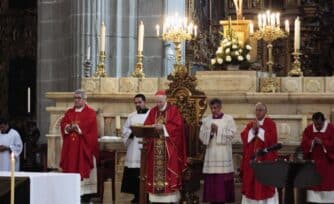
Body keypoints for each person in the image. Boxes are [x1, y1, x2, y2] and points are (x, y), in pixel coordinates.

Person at [143, 90, 187, 203]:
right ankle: (155, 199)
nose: (159, 104)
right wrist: (152, 127)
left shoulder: (173, 110)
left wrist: (163, 127)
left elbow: (178, 127)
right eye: (157, 102)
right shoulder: (153, 111)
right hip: (155, 149)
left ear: (165, 99)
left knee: (169, 170)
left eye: (161, 102)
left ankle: (169, 198)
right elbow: (146, 125)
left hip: (169, 148)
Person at [60, 89, 99, 195]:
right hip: (70, 148)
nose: (76, 100)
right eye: (75, 98)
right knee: (70, 168)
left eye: (78, 98)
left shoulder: (90, 113)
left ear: (84, 99)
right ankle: (70, 193)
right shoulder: (69, 112)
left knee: (81, 167)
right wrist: (68, 127)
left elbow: (90, 129)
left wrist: (78, 128)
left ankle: (84, 195)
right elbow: (63, 123)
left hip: (83, 147)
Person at [199, 98, 236, 204]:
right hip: (211, 153)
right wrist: (210, 132)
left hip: (223, 154)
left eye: (215, 108)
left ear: (220, 107)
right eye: (211, 108)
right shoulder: (206, 120)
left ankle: (223, 200)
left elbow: (232, 133)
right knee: (212, 180)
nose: (213, 110)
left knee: (222, 180)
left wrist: (218, 130)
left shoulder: (228, 119)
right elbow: (201, 136)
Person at [240, 102, 279, 204]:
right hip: (253, 162)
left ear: (265, 111)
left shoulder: (270, 124)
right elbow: (245, 138)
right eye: (256, 110)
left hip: (265, 160)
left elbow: (273, 140)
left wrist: (260, 130)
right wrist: (253, 130)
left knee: (265, 185)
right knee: (251, 184)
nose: (258, 112)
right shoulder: (250, 124)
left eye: (260, 110)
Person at [121, 94, 150, 203]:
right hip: (133, 149)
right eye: (136, 103)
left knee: (145, 172)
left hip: (145, 147)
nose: (137, 104)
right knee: (133, 173)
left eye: (139, 102)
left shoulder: (151, 114)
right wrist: (131, 132)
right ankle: (136, 196)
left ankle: (146, 195)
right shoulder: (131, 116)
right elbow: (125, 131)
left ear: (144, 102)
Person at [300, 112, 334, 203]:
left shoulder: (331, 128)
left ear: (324, 121)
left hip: (328, 165)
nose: (317, 126)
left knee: (328, 191)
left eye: (319, 124)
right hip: (314, 165)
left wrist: (323, 142)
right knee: (314, 194)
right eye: (315, 124)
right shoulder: (309, 129)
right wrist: (312, 142)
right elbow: (303, 143)